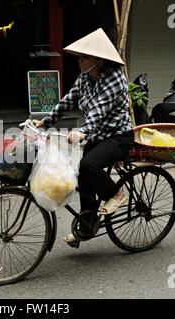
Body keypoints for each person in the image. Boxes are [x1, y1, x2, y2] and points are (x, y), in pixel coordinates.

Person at [32, 28, 134, 246]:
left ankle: (116, 193)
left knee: (88, 165)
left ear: (99, 60)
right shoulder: (85, 77)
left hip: (119, 137)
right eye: (79, 56)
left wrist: (82, 131)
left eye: (84, 57)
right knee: (83, 179)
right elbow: (67, 101)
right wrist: (45, 122)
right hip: (98, 135)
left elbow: (99, 110)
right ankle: (86, 227)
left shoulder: (115, 79)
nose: (79, 61)